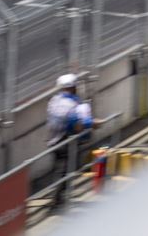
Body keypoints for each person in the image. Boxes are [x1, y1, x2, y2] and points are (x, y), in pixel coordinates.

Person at [45, 74, 93, 207]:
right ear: (72, 87)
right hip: (64, 140)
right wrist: (92, 123)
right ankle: (57, 199)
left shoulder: (54, 101)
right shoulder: (71, 104)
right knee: (65, 170)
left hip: (53, 139)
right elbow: (78, 124)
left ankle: (58, 196)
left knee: (60, 169)